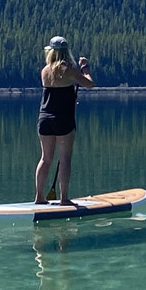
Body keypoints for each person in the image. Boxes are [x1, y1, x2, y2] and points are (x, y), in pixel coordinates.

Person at [35, 36, 94, 205]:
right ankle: (64, 199)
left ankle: (39, 197)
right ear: (66, 52)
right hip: (63, 120)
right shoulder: (69, 70)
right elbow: (90, 84)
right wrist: (85, 69)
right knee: (65, 158)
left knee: (45, 158)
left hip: (45, 118)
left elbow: (55, 93)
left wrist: (68, 98)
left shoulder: (45, 71)